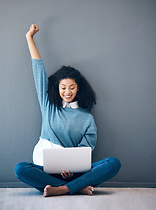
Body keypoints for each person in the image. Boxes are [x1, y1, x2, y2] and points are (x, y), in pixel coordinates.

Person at [14, 24, 121, 197]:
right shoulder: (49, 106)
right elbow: (38, 70)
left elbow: (85, 153)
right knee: (21, 169)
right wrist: (30, 38)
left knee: (113, 163)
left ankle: (62, 189)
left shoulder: (87, 119)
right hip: (46, 169)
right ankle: (77, 188)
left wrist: (71, 169)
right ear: (57, 88)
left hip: (75, 172)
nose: (67, 91)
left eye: (72, 87)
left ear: (78, 89)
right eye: (63, 87)